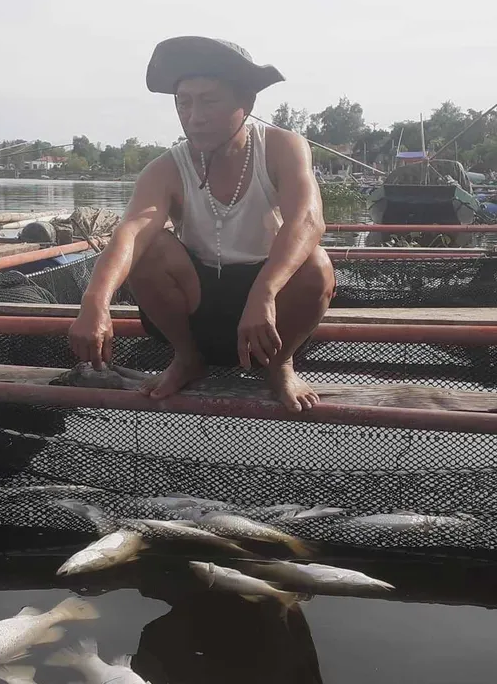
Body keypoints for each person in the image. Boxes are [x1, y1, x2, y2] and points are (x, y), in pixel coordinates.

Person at [68, 36, 335, 412]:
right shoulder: (166, 168)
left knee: (317, 265)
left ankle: (280, 365)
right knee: (151, 249)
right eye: (184, 103)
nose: (195, 117)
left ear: (246, 103)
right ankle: (187, 358)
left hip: (271, 300)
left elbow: (308, 219)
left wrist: (265, 293)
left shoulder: (281, 147)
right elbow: (132, 231)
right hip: (197, 299)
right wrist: (95, 302)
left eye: (209, 101)